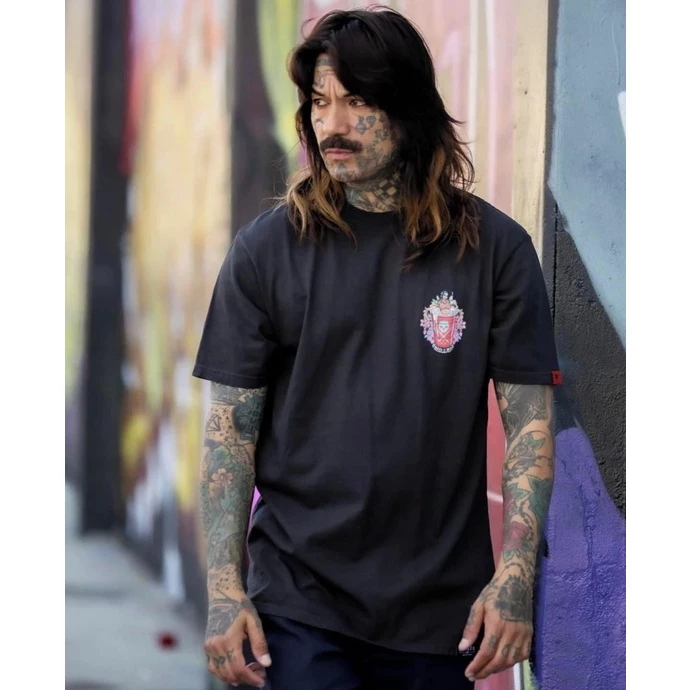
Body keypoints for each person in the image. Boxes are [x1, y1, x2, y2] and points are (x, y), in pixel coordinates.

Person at [193, 7, 560, 689]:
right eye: (319, 102)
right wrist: (224, 591)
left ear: (408, 107)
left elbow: (531, 430)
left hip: (441, 616)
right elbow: (228, 435)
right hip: (299, 603)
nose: (331, 125)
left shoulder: (496, 252)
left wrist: (513, 580)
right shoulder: (267, 252)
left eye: (357, 102)